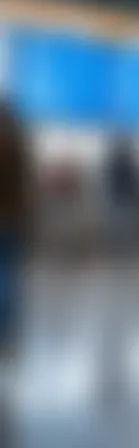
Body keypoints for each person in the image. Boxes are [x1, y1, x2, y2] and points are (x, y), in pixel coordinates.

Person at [0, 103, 31, 368]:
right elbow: (25, 186)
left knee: (6, 277)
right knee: (9, 277)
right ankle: (7, 331)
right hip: (12, 221)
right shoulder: (17, 147)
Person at [104, 138, 139, 253]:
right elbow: (135, 182)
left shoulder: (114, 164)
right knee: (127, 226)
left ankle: (119, 248)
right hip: (126, 198)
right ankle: (126, 248)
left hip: (118, 198)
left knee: (119, 226)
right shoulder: (130, 164)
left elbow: (110, 181)